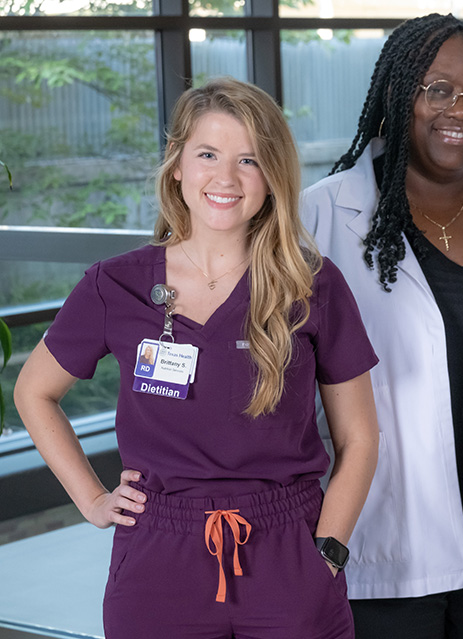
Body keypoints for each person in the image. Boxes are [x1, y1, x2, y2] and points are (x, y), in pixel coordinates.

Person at [14, 78, 379, 639]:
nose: (226, 178)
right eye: (208, 154)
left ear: (272, 176)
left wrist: (327, 552)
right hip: (158, 555)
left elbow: (360, 438)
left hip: (287, 553)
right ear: (177, 164)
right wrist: (92, 499)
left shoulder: (311, 285)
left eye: (249, 160)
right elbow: (34, 391)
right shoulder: (115, 285)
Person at [301, 13, 463, 639]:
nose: (461, 110)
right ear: (397, 94)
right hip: (383, 536)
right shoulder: (318, 218)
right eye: (438, 89)